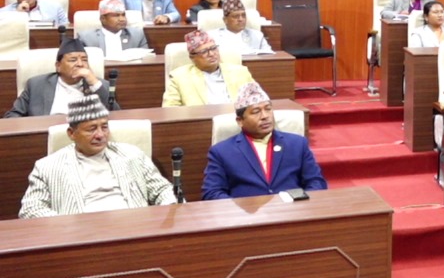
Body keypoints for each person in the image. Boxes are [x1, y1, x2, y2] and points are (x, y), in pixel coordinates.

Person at [19, 96, 176, 218]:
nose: (100, 135)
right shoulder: (47, 167)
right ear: (71, 134)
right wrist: (66, 226)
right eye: (91, 129)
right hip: (80, 237)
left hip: (134, 228)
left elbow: (163, 190)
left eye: (104, 127)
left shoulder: (132, 155)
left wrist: (162, 216)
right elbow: (31, 209)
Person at [201, 82, 328, 199]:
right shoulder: (222, 151)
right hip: (247, 214)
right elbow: (212, 192)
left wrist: (301, 204)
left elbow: (316, 183)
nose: (265, 116)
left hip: (291, 210)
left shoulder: (297, 144)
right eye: (256, 112)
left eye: (268, 109)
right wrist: (238, 210)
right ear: (240, 121)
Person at [5, 38, 113, 118]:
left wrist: (94, 83)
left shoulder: (100, 86)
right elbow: (13, 116)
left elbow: (115, 116)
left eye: (84, 60)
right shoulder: (36, 85)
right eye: (73, 60)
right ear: (58, 66)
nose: (80, 64)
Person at [162, 30, 256, 107]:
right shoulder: (179, 77)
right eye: (204, 51)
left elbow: (258, 100)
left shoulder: (240, 72)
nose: (211, 54)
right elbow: (169, 110)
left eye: (213, 48)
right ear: (192, 57)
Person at [79, 0, 151, 57]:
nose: (122, 19)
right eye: (116, 16)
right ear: (103, 19)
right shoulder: (86, 38)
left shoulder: (137, 35)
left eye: (123, 15)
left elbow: (146, 60)